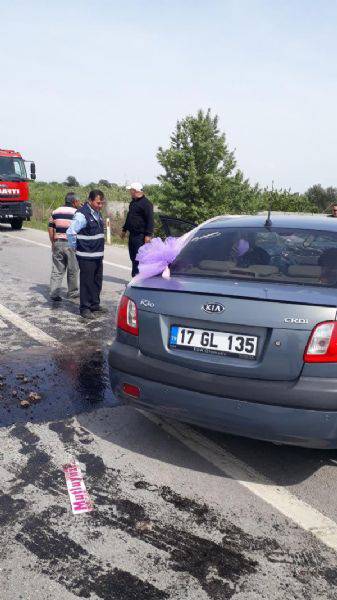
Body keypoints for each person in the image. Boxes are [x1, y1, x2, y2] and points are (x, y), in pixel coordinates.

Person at [66, 189, 107, 320]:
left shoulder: (97, 213)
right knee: (86, 282)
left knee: (97, 281)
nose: (100, 205)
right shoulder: (82, 214)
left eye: (102, 203)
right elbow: (71, 232)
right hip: (86, 255)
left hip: (97, 255)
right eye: (98, 203)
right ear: (90, 201)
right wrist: (74, 247)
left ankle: (95, 304)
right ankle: (85, 308)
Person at [48, 192, 81, 301]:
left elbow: (50, 228)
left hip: (58, 242)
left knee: (57, 269)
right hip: (71, 244)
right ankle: (72, 292)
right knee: (73, 269)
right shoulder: (77, 213)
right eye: (78, 201)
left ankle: (54, 293)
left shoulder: (55, 212)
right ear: (74, 202)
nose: (79, 203)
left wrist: (53, 243)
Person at [121, 182, 154, 277]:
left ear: (135, 191)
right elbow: (129, 217)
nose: (129, 192)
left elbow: (150, 220)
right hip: (133, 235)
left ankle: (139, 278)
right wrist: (124, 229)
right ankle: (135, 276)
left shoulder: (146, 204)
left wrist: (148, 235)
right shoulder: (133, 203)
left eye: (130, 190)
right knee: (133, 256)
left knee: (139, 257)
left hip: (141, 236)